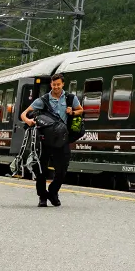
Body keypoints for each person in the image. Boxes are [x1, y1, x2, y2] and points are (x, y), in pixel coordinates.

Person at [20, 73, 82, 208]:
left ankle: (53, 192)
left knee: (62, 170)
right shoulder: (43, 100)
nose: (56, 87)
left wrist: (72, 112)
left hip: (62, 139)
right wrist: (28, 120)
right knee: (40, 169)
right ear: (51, 85)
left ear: (63, 84)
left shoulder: (71, 98)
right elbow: (23, 113)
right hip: (44, 139)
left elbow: (80, 111)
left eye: (58, 84)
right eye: (54, 85)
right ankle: (42, 197)